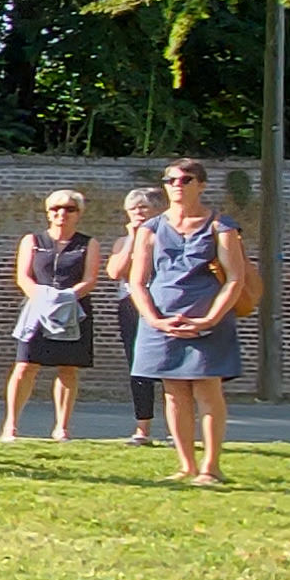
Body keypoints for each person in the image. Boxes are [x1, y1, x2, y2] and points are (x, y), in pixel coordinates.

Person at [126, 160, 253, 487]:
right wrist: (154, 319)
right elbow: (137, 281)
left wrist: (210, 318)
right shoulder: (150, 228)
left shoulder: (220, 225)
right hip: (161, 318)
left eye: (186, 179)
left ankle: (211, 467)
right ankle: (185, 465)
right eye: (171, 180)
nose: (177, 185)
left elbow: (235, 279)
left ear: (202, 185)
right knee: (173, 393)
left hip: (207, 316)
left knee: (208, 391)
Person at [1, 188, 98, 444]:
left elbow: (90, 280)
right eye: (56, 209)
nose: (61, 214)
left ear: (79, 214)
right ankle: (11, 425)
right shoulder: (32, 241)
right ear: (48, 213)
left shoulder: (88, 244)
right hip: (37, 311)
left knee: (68, 369)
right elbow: (22, 276)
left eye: (69, 209)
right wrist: (41, 297)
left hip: (73, 311)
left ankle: (62, 427)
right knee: (25, 366)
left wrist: (66, 298)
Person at [111, 183, 168, 446]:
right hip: (132, 305)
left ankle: (176, 428)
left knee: (171, 368)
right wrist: (134, 239)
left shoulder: (170, 237)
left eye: (143, 207)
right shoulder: (124, 241)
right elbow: (115, 272)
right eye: (132, 208)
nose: (137, 212)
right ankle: (142, 428)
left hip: (164, 303)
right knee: (139, 366)